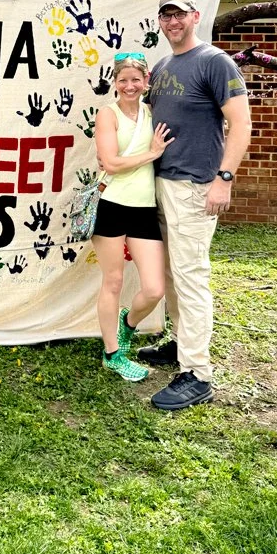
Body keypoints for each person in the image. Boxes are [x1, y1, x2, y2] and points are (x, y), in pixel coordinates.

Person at [141, 0, 252, 411]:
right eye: (166, 15)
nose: (173, 22)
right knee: (170, 272)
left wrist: (224, 179)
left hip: (194, 186)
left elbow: (241, 124)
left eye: (180, 14)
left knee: (190, 276)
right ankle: (181, 345)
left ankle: (198, 374)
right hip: (162, 182)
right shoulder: (164, 65)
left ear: (195, 16)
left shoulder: (214, 62)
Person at [92, 53, 174, 382]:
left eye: (135, 80)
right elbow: (110, 163)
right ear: (115, 82)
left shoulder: (153, 114)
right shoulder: (107, 115)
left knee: (154, 289)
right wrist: (152, 154)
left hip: (143, 208)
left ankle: (127, 325)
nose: (129, 86)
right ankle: (112, 353)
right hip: (112, 204)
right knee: (112, 282)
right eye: (123, 80)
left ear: (146, 82)